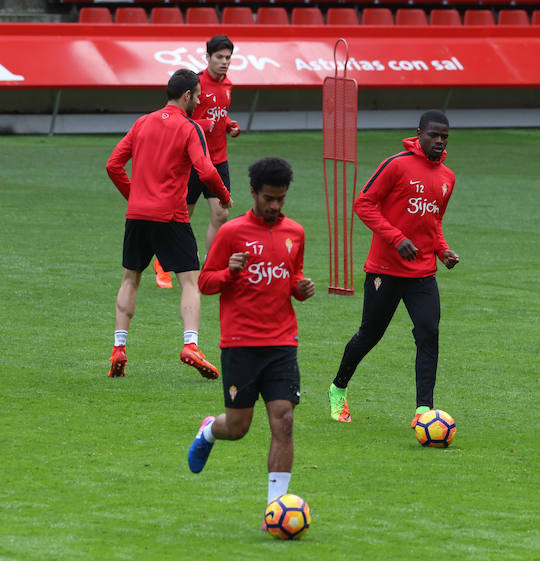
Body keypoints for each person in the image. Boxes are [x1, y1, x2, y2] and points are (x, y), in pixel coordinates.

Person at [187, 157, 315, 523]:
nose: (275, 206)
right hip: (240, 343)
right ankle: (210, 431)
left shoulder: (295, 233)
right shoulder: (231, 233)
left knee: (284, 420)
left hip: (281, 343)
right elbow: (205, 282)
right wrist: (229, 272)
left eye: (281, 199)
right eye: (268, 199)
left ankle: (276, 508)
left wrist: (301, 288)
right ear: (254, 193)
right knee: (239, 427)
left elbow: (293, 278)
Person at [327, 110, 460, 427]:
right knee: (369, 336)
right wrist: (396, 238)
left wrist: (442, 251)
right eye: (434, 135)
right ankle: (338, 387)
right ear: (419, 133)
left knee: (429, 335)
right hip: (385, 271)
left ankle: (422, 411)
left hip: (423, 273)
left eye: (444, 137)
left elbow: (433, 222)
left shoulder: (447, 178)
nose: (439, 141)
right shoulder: (396, 165)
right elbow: (364, 203)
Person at [105, 68, 233, 379]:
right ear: (187, 95)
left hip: (137, 216)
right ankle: (191, 344)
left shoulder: (143, 122)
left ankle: (119, 348)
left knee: (129, 279)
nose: (200, 101)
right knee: (189, 281)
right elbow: (205, 170)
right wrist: (224, 195)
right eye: (198, 96)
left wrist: (134, 196)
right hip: (171, 216)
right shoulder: (190, 129)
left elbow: (113, 165)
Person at [153, 35, 241, 289]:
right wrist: (201, 125)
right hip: (193, 160)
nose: (224, 62)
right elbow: (176, 115)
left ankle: (210, 266)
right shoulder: (195, 83)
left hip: (219, 160)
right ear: (208, 58)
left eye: (228, 58)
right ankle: (163, 264)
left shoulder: (228, 85)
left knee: (221, 213)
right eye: (219, 57)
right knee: (183, 215)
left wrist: (229, 125)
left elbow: (219, 116)